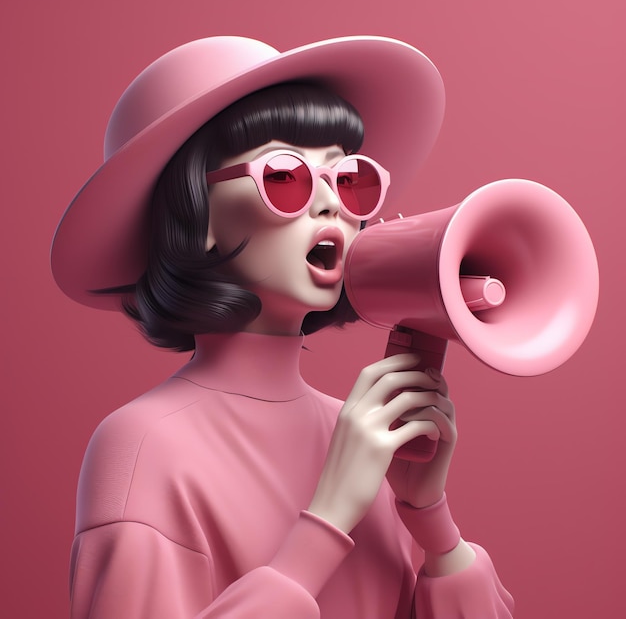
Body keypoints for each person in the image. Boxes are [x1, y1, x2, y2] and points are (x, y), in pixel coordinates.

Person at [52, 35, 514, 618]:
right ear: (197, 220)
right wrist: (325, 524)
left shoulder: (357, 434)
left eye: (349, 180)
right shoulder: (144, 445)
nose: (333, 207)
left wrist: (430, 519)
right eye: (286, 178)